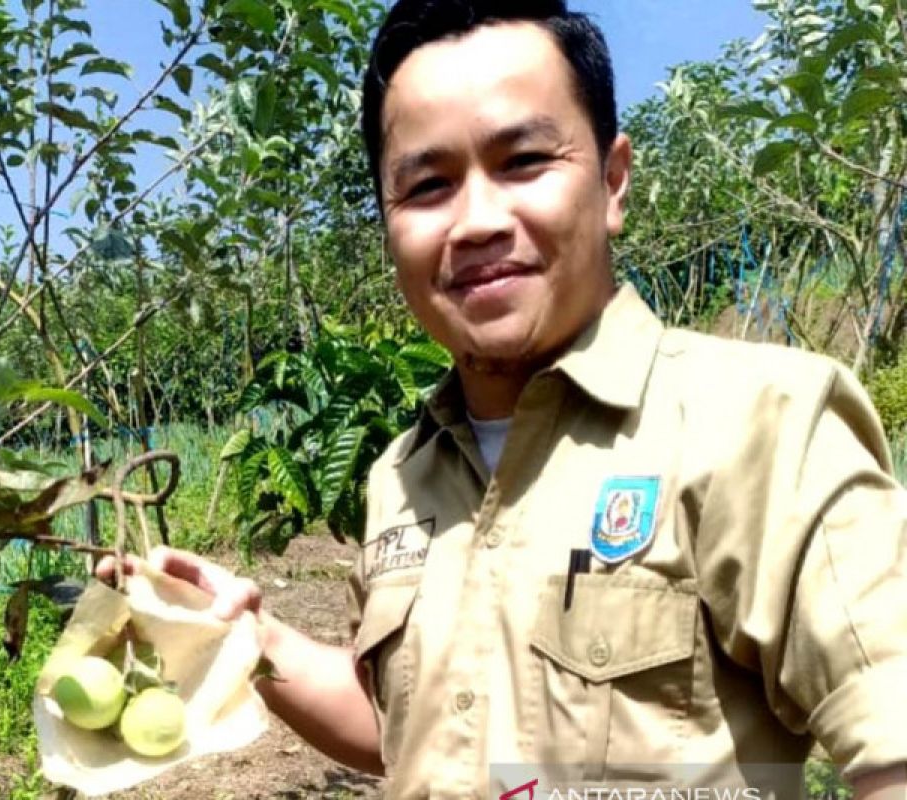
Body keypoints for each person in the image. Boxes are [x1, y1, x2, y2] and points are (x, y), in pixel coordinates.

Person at [98, 1, 907, 798]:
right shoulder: (403, 473)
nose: (477, 220)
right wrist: (246, 636)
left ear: (614, 180)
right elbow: (409, 732)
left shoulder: (760, 422)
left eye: (522, 162)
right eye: (427, 186)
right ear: (388, 225)